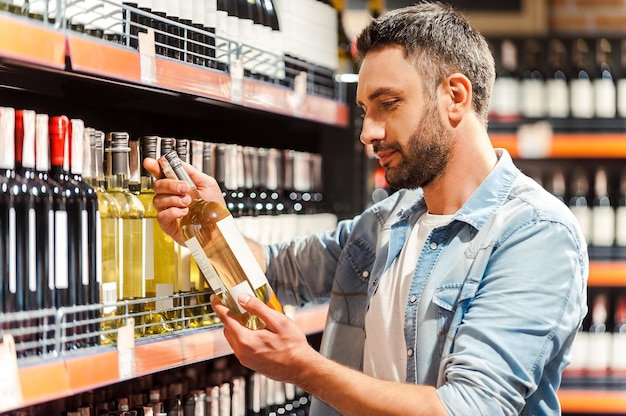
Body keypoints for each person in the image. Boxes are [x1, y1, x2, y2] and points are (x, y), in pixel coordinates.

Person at [145, 2, 589, 414]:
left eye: (388, 104)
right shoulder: (387, 219)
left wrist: (304, 369)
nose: (367, 133)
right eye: (363, 110)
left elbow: (469, 407)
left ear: (455, 96)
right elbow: (279, 269)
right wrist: (208, 223)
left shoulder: (535, 233)